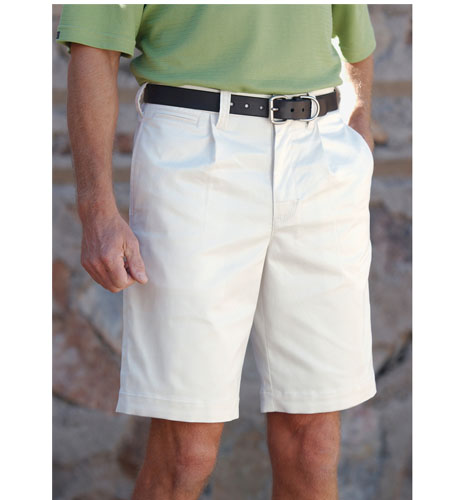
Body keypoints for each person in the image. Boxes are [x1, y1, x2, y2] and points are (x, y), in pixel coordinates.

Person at [57, 4, 377, 499]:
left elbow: (352, 32)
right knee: (186, 451)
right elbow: (93, 44)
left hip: (320, 152)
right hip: (195, 151)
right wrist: (96, 208)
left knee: (313, 444)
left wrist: (359, 127)